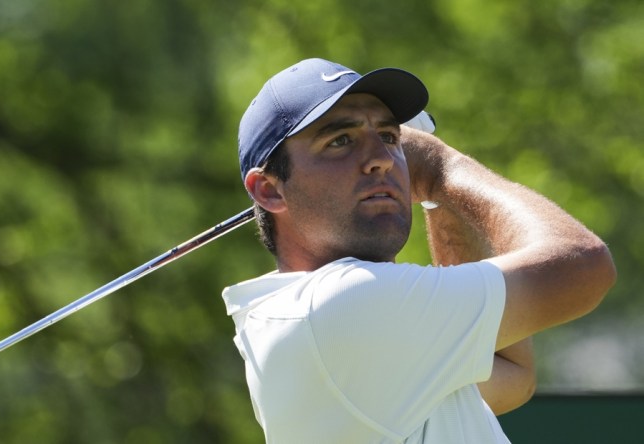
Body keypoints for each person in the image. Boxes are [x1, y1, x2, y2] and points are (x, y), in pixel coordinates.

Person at [221, 58, 616, 443]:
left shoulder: (316, 316)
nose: (381, 159)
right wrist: (442, 167)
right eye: (340, 140)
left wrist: (435, 198)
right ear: (270, 189)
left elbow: (510, 375)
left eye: (389, 137)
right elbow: (583, 264)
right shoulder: (344, 306)